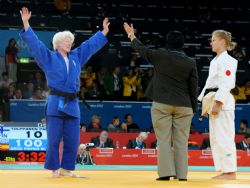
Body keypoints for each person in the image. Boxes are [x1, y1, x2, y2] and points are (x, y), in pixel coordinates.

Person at [19, 7, 109, 178]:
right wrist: (26, 23)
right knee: (53, 139)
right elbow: (35, 45)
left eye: (71, 40)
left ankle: (67, 169)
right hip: (55, 102)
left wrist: (103, 32)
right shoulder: (49, 58)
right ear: (57, 43)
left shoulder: (76, 57)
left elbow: (89, 46)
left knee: (73, 139)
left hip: (73, 103)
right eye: (66, 40)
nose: (70, 42)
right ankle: (55, 168)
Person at [123, 23, 198, 181]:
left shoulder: (160, 55)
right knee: (181, 141)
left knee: (163, 139)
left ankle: (165, 174)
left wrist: (131, 35)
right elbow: (193, 88)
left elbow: (142, 49)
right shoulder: (191, 62)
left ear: (167, 43)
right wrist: (194, 108)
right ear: (182, 44)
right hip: (184, 106)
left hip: (162, 104)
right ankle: (182, 175)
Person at [198, 30, 237, 180]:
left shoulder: (228, 60)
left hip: (222, 102)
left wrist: (218, 103)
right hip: (213, 99)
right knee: (216, 138)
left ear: (222, 41)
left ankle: (230, 171)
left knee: (224, 137)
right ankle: (224, 170)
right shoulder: (215, 61)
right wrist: (204, 104)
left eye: (213, 40)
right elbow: (209, 85)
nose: (211, 43)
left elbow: (226, 83)